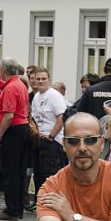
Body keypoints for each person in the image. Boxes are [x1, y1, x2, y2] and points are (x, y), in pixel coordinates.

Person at [0, 58, 30, 221]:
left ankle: (12, 209)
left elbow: (8, 115)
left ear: (5, 71)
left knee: (10, 171)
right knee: (18, 172)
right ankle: (18, 206)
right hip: (21, 129)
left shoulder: (11, 87)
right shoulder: (20, 84)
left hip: (13, 130)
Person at [30, 67, 67, 201]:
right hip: (38, 139)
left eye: (43, 79)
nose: (40, 81)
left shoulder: (54, 95)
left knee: (49, 174)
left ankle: (51, 203)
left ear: (49, 80)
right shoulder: (36, 97)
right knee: (38, 174)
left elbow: (61, 117)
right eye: (37, 79)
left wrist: (51, 136)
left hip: (51, 140)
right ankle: (40, 202)